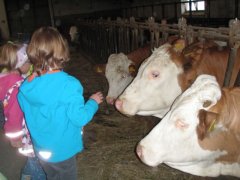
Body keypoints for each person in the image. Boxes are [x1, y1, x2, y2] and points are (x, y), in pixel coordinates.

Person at [18, 26, 104, 180]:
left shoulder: (28, 84)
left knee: (51, 175)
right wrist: (92, 102)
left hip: (41, 148)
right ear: (62, 51)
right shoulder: (69, 85)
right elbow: (79, 118)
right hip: (62, 149)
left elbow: (23, 104)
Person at [0, 42, 46, 179]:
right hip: (21, 132)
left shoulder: (6, 77)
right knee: (36, 162)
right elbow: (14, 113)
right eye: (29, 62)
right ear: (21, 64)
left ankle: (27, 174)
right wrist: (16, 137)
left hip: (16, 128)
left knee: (31, 162)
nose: (31, 65)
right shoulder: (16, 85)